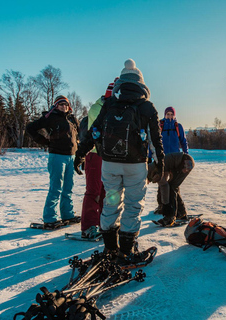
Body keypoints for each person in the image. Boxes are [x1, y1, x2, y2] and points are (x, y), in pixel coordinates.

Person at [75, 59, 164, 266]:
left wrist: (80, 153)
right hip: (135, 166)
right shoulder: (146, 106)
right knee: (133, 206)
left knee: (111, 202)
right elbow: (155, 138)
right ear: (141, 84)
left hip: (109, 164)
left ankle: (109, 248)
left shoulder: (108, 104)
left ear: (120, 84)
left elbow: (92, 131)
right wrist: (159, 163)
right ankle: (125, 251)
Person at [26, 95, 80, 228]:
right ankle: (50, 218)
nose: (64, 107)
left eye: (66, 105)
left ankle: (68, 214)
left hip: (71, 156)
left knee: (68, 188)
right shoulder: (50, 117)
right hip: (57, 156)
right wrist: (44, 141)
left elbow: (80, 134)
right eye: (61, 105)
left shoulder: (72, 118)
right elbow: (30, 128)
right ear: (56, 106)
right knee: (56, 188)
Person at [77, 80, 117, 239]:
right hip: (94, 154)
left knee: (104, 192)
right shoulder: (98, 107)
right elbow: (99, 132)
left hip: (107, 156)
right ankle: (88, 227)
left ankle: (101, 223)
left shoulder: (113, 107)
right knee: (93, 191)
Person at [147, 152, 194, 226]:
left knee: (172, 187)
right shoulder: (155, 168)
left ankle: (170, 218)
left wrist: (165, 205)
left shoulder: (157, 169)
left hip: (186, 163)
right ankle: (181, 213)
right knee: (173, 187)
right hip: (183, 162)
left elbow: (164, 186)